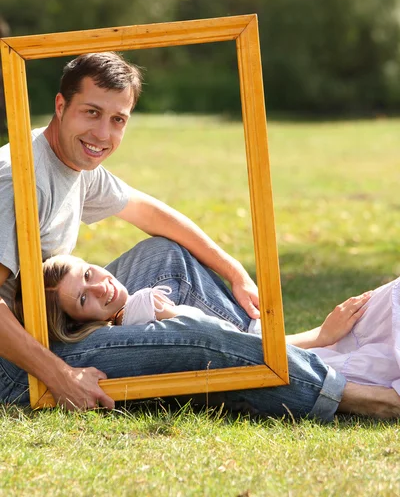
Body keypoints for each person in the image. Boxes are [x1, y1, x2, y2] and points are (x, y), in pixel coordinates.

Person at [1, 51, 399, 419]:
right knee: (193, 338)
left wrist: (234, 272)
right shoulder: (18, 177)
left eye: (118, 119)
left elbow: (149, 211)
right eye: (91, 112)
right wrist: (60, 376)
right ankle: (352, 395)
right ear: (60, 106)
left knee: (166, 256)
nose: (103, 134)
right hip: (15, 367)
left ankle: (277, 351)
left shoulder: (71, 159)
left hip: (55, 316)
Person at [38, 255, 400, 397]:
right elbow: (234, 350)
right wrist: (320, 336)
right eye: (83, 299)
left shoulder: (138, 303)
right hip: (305, 361)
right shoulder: (142, 312)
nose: (100, 286)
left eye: (88, 273)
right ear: (81, 323)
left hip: (294, 351)